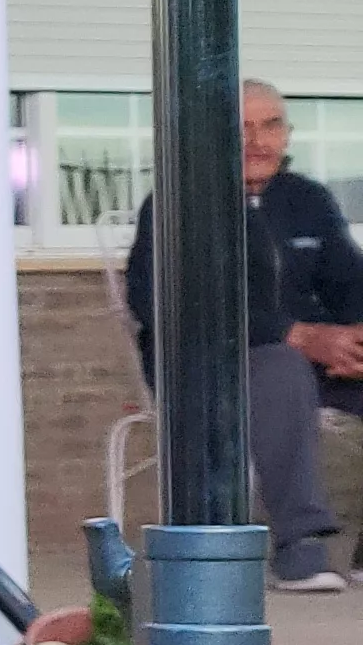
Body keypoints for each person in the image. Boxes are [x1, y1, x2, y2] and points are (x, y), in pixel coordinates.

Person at [121, 80, 363, 591]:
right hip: (206, 368)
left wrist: (355, 340)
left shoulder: (307, 200)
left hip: (304, 366)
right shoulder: (177, 203)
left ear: (287, 132)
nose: (258, 140)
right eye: (242, 128)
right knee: (282, 363)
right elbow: (158, 304)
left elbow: (350, 283)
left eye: (270, 125)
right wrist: (293, 333)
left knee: (295, 365)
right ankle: (300, 548)